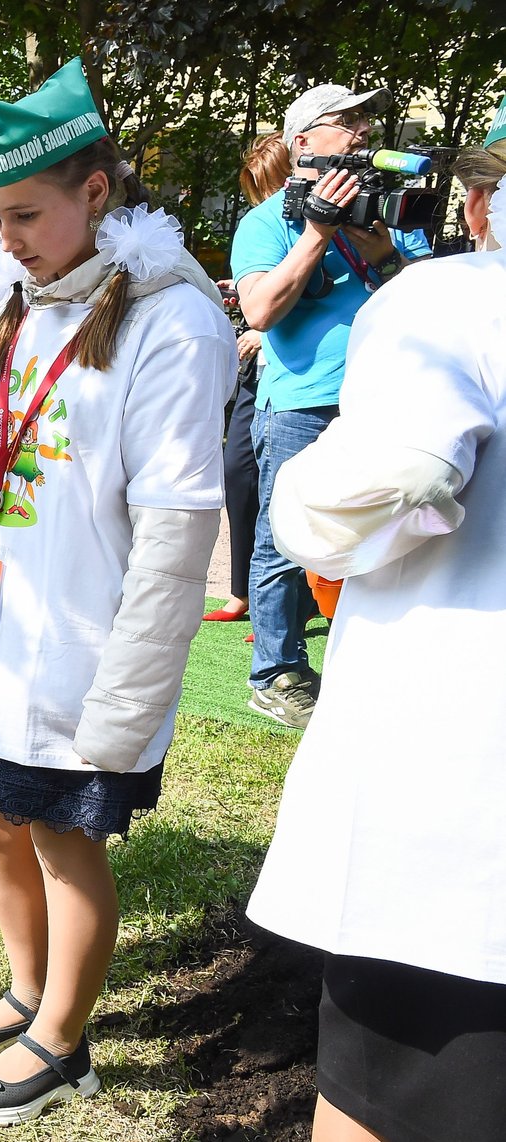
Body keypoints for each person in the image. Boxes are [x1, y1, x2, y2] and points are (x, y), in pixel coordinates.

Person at [0, 61, 233, 1125]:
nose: (3, 237)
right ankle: (24, 987)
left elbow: (175, 535)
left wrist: (127, 694)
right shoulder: (17, 289)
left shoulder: (168, 321)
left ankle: (62, 1038)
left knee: (58, 833)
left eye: (24, 213)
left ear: (96, 192)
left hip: (80, 647)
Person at [246, 97, 506, 1142]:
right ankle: (273, 660)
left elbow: (388, 478)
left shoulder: (449, 298)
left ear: (479, 205)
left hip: (452, 830)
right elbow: (262, 305)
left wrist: (301, 502)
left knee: (383, 1098)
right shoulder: (278, 215)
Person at [229, 83, 432, 728]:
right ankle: (276, 672)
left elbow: (431, 293)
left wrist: (387, 253)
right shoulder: (266, 223)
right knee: (284, 537)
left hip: (384, 401)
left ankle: (367, 658)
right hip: (302, 405)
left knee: (385, 532)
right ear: (302, 143)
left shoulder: (384, 211)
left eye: (364, 119)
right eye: (344, 121)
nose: (362, 129)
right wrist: (317, 232)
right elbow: (260, 309)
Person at [206, 133, 293, 627]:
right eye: (259, 189)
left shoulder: (327, 227)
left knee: (288, 488)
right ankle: (241, 592)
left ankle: (293, 604)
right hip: (256, 377)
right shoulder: (262, 227)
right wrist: (241, 296)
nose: (267, 198)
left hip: (294, 374)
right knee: (238, 470)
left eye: (273, 184)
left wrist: (262, 333)